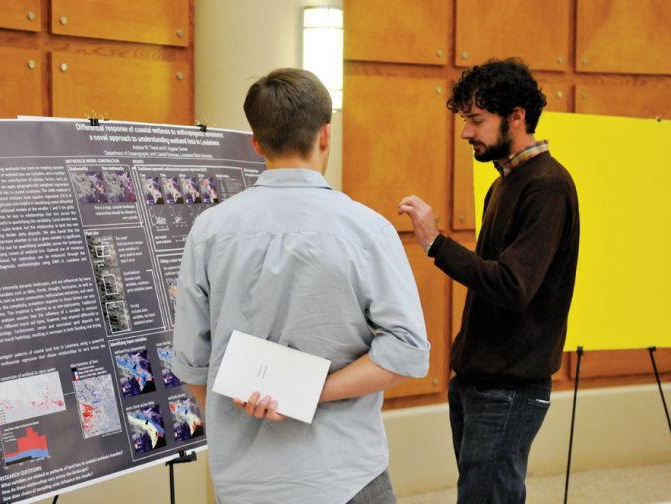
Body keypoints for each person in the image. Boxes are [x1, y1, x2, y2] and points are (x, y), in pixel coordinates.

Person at [172, 68, 430, 504]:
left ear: (256, 142)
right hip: (344, 475)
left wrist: (258, 408)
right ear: (326, 135)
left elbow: (192, 363)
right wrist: (309, 393)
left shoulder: (208, 230)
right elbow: (407, 352)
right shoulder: (368, 230)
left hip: (243, 482)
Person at [398, 58, 580, 503]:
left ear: (516, 116)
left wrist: (435, 243)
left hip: (510, 387)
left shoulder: (547, 187)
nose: (465, 133)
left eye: (476, 120)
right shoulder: (503, 183)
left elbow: (513, 286)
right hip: (478, 379)